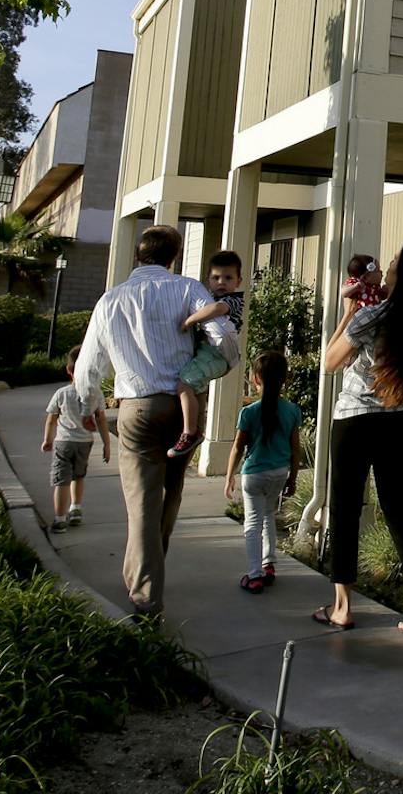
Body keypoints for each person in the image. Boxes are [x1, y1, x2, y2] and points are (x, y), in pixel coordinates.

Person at [73, 223, 218, 618]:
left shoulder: (111, 301)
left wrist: (89, 407)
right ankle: (153, 570)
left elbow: (87, 367)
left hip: (137, 407)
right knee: (170, 495)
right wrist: (205, 370)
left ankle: (145, 598)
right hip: (185, 404)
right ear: (173, 256)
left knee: (142, 504)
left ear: (139, 255)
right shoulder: (188, 289)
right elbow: (223, 336)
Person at [314, 240, 403, 633]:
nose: (385, 268)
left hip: (356, 419)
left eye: (392, 264)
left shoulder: (373, 315)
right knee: (397, 505)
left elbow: (330, 362)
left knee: (346, 505)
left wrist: (349, 312)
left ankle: (341, 606)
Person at [223, 349, 302, 593]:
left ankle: (255, 574)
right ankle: (269, 564)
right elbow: (295, 448)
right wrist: (293, 477)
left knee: (253, 523)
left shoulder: (249, 413)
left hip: (254, 474)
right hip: (279, 472)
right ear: (284, 380)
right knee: (268, 515)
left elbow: (238, 448)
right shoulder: (292, 411)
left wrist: (229, 477)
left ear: (256, 379)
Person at [169, 249, 247, 459]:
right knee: (197, 388)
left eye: (228, 278)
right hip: (208, 353)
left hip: (217, 354)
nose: (221, 282)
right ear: (208, 279)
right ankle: (196, 426)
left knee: (184, 385)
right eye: (216, 277)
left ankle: (190, 432)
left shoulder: (234, 300)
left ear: (238, 281)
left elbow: (216, 309)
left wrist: (189, 320)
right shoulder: (209, 297)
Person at [40, 345, 111, 531]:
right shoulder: (96, 394)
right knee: (78, 476)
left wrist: (47, 439)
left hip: (63, 442)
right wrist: (107, 444)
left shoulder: (61, 393)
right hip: (85, 443)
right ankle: (76, 508)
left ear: (68, 370)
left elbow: (51, 420)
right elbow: (101, 420)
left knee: (61, 480)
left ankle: (59, 519)